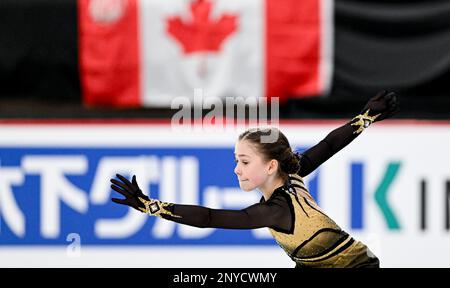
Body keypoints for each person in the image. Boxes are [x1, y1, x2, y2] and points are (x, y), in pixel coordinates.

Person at [110, 90, 399, 268]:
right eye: (237, 160)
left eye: (245, 162)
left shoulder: (275, 210)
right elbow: (328, 145)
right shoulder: (293, 174)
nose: (237, 169)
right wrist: (366, 117)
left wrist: (153, 207)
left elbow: (210, 218)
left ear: (272, 166)